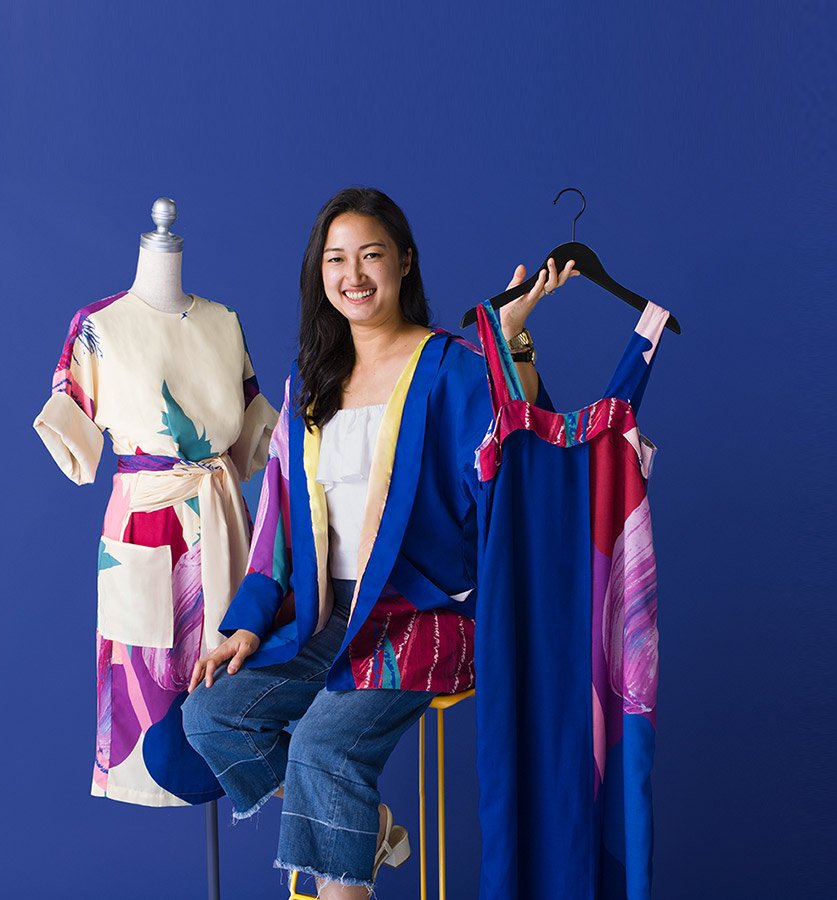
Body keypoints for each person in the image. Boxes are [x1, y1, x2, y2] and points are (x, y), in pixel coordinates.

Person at [181, 186, 577, 897]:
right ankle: (372, 828)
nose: (353, 275)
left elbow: (518, 455)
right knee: (213, 714)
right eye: (336, 259)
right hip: (328, 617)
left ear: (405, 262)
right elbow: (279, 526)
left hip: (424, 616)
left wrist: (510, 346)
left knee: (323, 748)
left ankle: (347, 848)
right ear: (319, 272)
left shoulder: (453, 364)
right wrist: (245, 623)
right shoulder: (311, 384)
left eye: (371, 255)